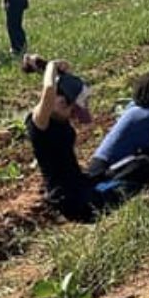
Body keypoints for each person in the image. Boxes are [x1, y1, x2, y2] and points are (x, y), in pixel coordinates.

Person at [26, 59, 102, 221]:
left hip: (78, 183)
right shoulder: (40, 122)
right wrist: (51, 65)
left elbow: (63, 83)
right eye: (72, 109)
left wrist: (44, 64)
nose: (74, 115)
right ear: (59, 101)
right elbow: (49, 88)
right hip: (67, 197)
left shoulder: (60, 115)